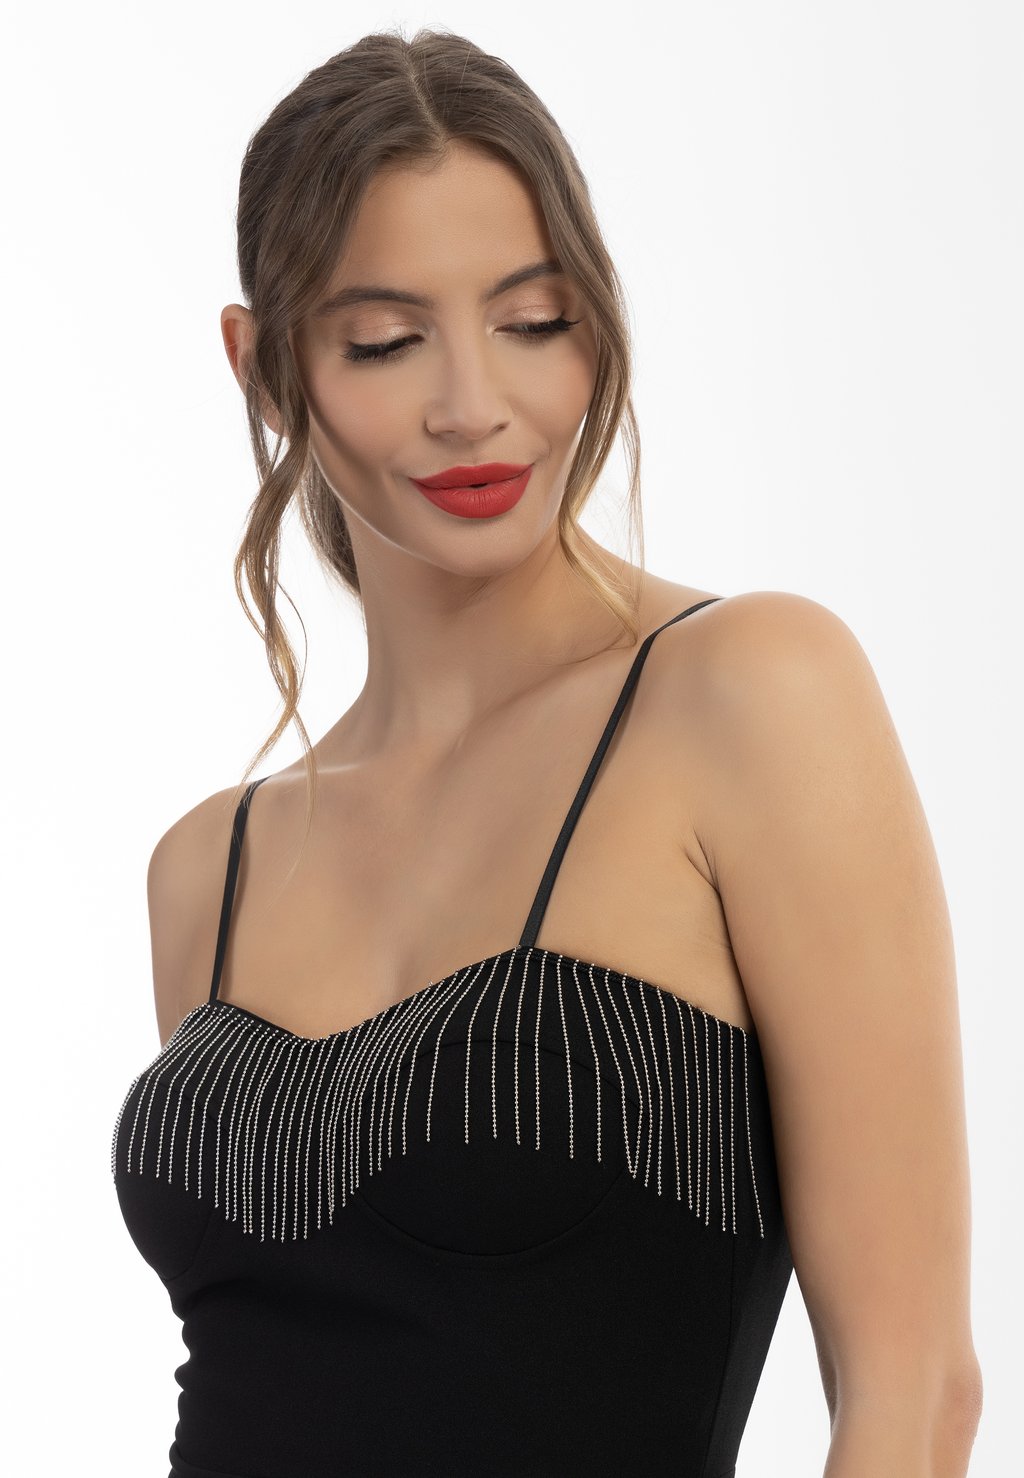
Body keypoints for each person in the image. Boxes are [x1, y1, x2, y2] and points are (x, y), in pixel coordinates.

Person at [111, 27, 982, 1478]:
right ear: (263, 367)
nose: (475, 404)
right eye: (384, 340)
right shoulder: (208, 867)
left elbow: (914, 1390)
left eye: (533, 320)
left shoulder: (747, 695)